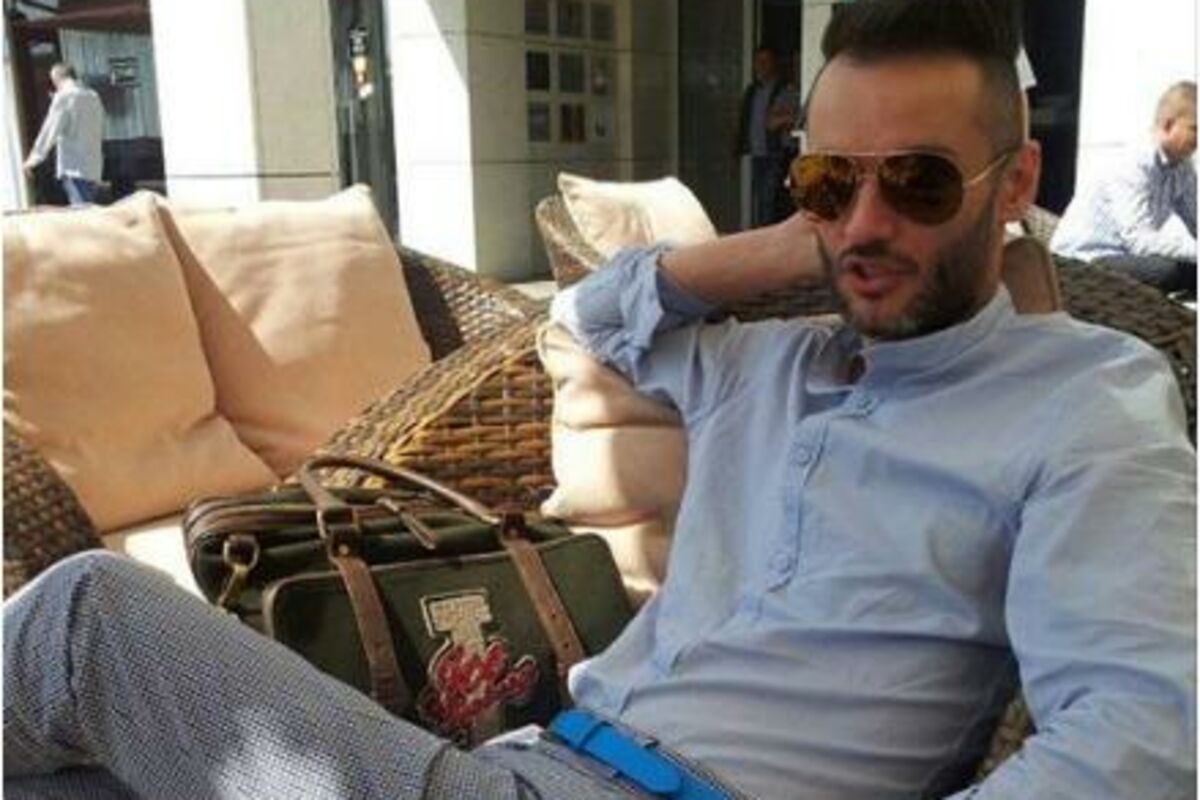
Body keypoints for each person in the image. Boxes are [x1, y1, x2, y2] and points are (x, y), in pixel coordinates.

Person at [5, 2, 1194, 798]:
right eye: (833, 178)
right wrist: (798, 244)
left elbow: (1141, 734)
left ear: (1015, 182)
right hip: (524, 759)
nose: (868, 222)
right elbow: (583, 319)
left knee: (85, 619)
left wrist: (845, 222)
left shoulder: (1086, 398)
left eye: (919, 183)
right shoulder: (759, 363)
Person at [1051, 81, 1197, 296]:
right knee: (1175, 272)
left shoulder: (1182, 167)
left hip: (1124, 255)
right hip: (1083, 261)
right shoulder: (1133, 164)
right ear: (1168, 125)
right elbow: (1140, 240)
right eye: (1195, 129)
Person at [22, 63, 106, 207]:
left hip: (74, 167)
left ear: (57, 78)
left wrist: (33, 159)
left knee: (82, 214)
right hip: (93, 167)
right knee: (90, 211)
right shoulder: (93, 96)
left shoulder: (63, 97)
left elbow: (50, 130)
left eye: (53, 82)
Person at [734, 45, 799, 228]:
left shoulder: (784, 89)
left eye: (766, 61)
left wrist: (783, 120)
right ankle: (761, 232)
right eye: (758, 61)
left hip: (775, 153)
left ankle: (767, 235)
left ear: (774, 64)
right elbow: (742, 121)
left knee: (770, 201)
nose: (761, 66)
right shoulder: (751, 91)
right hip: (755, 154)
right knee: (759, 199)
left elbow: (792, 118)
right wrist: (736, 148)